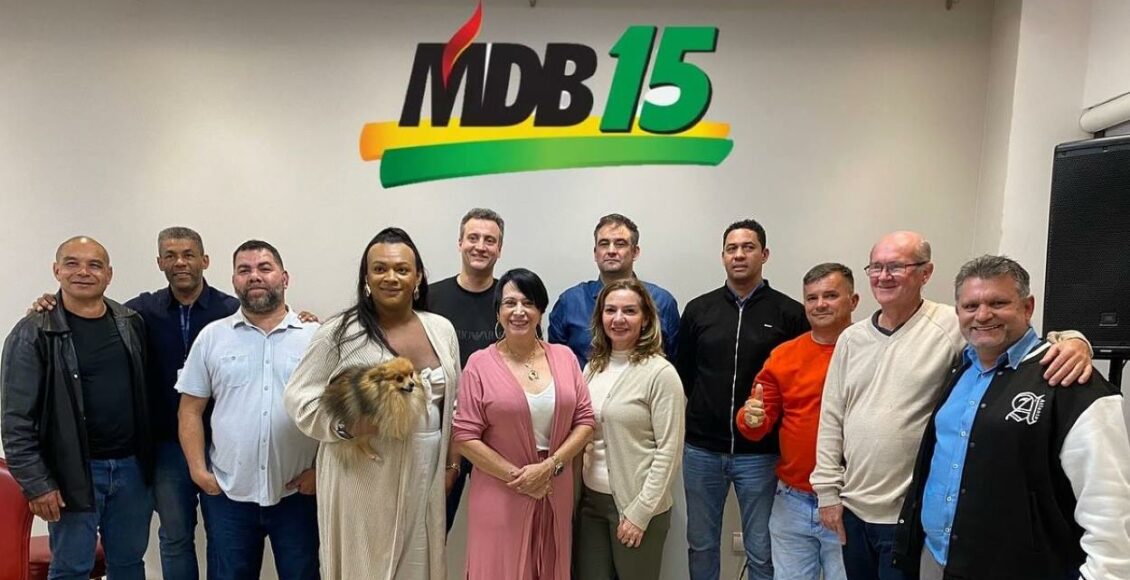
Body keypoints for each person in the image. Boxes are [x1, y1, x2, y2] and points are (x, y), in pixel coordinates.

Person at [811, 231, 1094, 580]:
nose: (884, 276)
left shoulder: (954, 323)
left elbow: (1014, 336)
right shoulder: (850, 339)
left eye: (896, 266)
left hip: (908, 514)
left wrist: (1074, 341)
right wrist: (828, 493)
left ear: (926, 273)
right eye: (877, 267)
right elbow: (832, 417)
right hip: (853, 508)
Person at [893, 255, 1130, 579]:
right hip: (936, 558)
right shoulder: (962, 368)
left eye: (998, 303)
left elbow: (1109, 509)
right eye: (970, 306)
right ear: (958, 312)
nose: (982, 315)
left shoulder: (1071, 382)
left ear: (1027, 307)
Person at [284, 227, 461, 580]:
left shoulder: (441, 329)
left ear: (418, 277)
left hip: (424, 476)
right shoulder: (340, 332)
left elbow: (454, 406)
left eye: (401, 269)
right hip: (361, 482)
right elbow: (298, 397)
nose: (390, 277)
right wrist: (346, 426)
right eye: (379, 269)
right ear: (366, 277)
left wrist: (450, 468)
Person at [2, 236, 154, 580]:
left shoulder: (130, 322)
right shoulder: (33, 332)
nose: (83, 272)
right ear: (57, 271)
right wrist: (37, 484)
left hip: (131, 472)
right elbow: (16, 421)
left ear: (109, 274)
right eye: (72, 263)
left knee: (129, 565)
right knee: (71, 569)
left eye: (94, 265)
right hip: (72, 475)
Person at [176, 240, 320, 580]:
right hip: (229, 495)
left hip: (298, 495)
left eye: (264, 268)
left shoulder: (316, 338)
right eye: (244, 270)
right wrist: (198, 471)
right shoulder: (212, 337)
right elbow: (190, 411)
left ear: (285, 278)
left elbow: (336, 412)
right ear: (234, 281)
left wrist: (321, 470)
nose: (254, 276)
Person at [677, 219, 808, 580]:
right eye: (731, 248)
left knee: (761, 548)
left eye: (748, 247)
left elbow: (796, 382)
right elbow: (684, 373)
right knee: (701, 545)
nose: (739, 255)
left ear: (764, 254)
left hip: (761, 455)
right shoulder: (698, 310)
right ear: (722, 256)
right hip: (702, 451)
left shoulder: (790, 314)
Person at [453, 268, 595, 580]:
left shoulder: (565, 357)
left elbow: (585, 421)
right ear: (498, 312)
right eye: (510, 303)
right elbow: (464, 435)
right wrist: (520, 478)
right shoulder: (479, 364)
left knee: (551, 564)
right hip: (500, 488)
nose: (519, 311)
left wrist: (549, 467)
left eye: (528, 303)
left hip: (554, 485)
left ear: (541, 310)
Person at [736, 263, 858, 580]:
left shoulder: (871, 352)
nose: (820, 304)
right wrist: (750, 418)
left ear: (853, 301)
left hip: (852, 501)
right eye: (812, 298)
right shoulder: (785, 355)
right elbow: (758, 417)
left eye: (830, 296)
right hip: (792, 500)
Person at [573, 278, 685, 580]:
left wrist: (640, 513)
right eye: (610, 310)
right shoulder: (592, 368)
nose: (618, 318)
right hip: (591, 504)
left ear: (645, 318)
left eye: (629, 311)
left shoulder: (661, 374)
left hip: (636, 507)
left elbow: (669, 451)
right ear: (600, 317)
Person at [428, 207, 505, 532]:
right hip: (440, 432)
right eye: (473, 238)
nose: (480, 246)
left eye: (490, 240)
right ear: (460, 242)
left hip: (497, 435)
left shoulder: (511, 301)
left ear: (499, 249)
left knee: (500, 531)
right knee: (432, 530)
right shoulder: (430, 297)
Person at [549, 213, 679, 367]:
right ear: (595, 253)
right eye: (604, 244)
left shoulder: (662, 301)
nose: (611, 250)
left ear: (635, 252)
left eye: (620, 244)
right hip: (586, 382)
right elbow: (556, 366)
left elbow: (676, 363)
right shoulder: (570, 302)